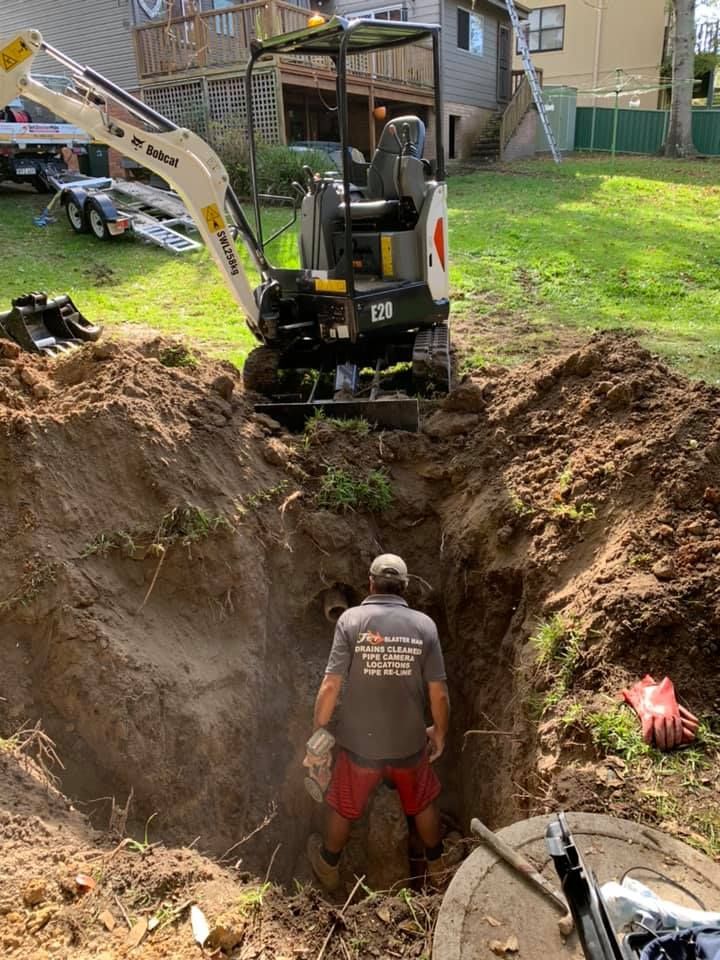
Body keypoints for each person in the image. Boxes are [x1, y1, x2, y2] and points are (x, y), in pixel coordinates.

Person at [306, 553, 450, 892]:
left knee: (343, 804)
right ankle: (438, 865)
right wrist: (439, 733)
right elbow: (439, 693)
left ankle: (328, 866)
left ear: (370, 584)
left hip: (360, 748)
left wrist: (318, 730)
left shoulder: (351, 621)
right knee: (422, 801)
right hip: (409, 746)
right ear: (405, 587)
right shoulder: (424, 626)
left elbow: (330, 686)